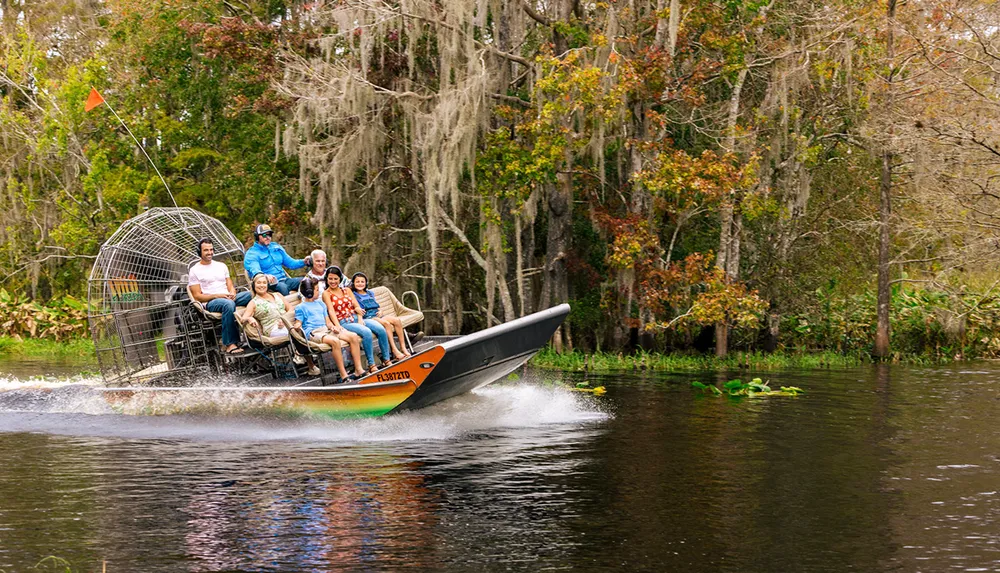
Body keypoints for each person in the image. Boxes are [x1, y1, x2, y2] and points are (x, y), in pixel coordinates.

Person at [241, 273, 322, 376]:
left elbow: (291, 309)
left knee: (305, 328)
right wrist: (250, 318)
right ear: (253, 285)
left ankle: (306, 355)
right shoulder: (253, 302)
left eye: (264, 283)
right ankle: (308, 363)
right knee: (296, 332)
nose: (262, 285)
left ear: (267, 284)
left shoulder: (277, 295)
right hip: (273, 329)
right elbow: (243, 319)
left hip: (287, 323)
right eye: (259, 283)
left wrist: (284, 320)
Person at [293, 277, 365, 381]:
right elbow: (298, 322)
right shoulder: (300, 307)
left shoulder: (321, 304)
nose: (319, 292)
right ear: (309, 292)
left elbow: (328, 322)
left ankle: (358, 370)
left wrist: (333, 327)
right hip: (314, 332)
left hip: (326, 329)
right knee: (335, 341)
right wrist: (297, 325)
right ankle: (343, 375)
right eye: (317, 289)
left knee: (353, 336)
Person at [323, 266, 393, 372]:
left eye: (335, 279)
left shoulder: (347, 290)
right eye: (330, 279)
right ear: (327, 279)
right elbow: (331, 311)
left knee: (381, 329)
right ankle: (371, 364)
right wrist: (337, 325)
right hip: (344, 322)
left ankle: (386, 360)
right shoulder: (326, 294)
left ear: (340, 279)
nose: (333, 281)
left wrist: (360, 318)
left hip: (356, 318)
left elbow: (357, 307)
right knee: (366, 332)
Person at [188, 238, 243, 354]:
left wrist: (232, 293)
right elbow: (197, 296)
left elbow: (229, 284)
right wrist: (217, 295)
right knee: (228, 304)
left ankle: (256, 336)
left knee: (251, 295)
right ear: (200, 252)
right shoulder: (194, 271)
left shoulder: (221, 266)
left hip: (227, 297)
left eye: (211, 249)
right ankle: (229, 344)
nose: (210, 252)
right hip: (211, 302)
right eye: (206, 250)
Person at [351, 272, 410, 361]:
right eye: (357, 282)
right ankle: (394, 350)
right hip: (369, 317)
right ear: (353, 283)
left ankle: (403, 348)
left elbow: (377, 306)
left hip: (377, 315)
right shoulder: (354, 295)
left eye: (362, 282)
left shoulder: (370, 293)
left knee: (397, 321)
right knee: (386, 324)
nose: (360, 284)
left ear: (366, 283)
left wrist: (381, 311)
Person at [243, 223, 308, 296]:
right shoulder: (252, 253)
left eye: (269, 234)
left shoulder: (276, 247)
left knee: (307, 282)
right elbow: (255, 270)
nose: (268, 237)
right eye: (264, 235)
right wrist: (265, 276)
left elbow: (291, 263)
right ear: (257, 237)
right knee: (283, 288)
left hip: (284, 280)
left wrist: (304, 261)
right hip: (269, 284)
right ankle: (287, 307)